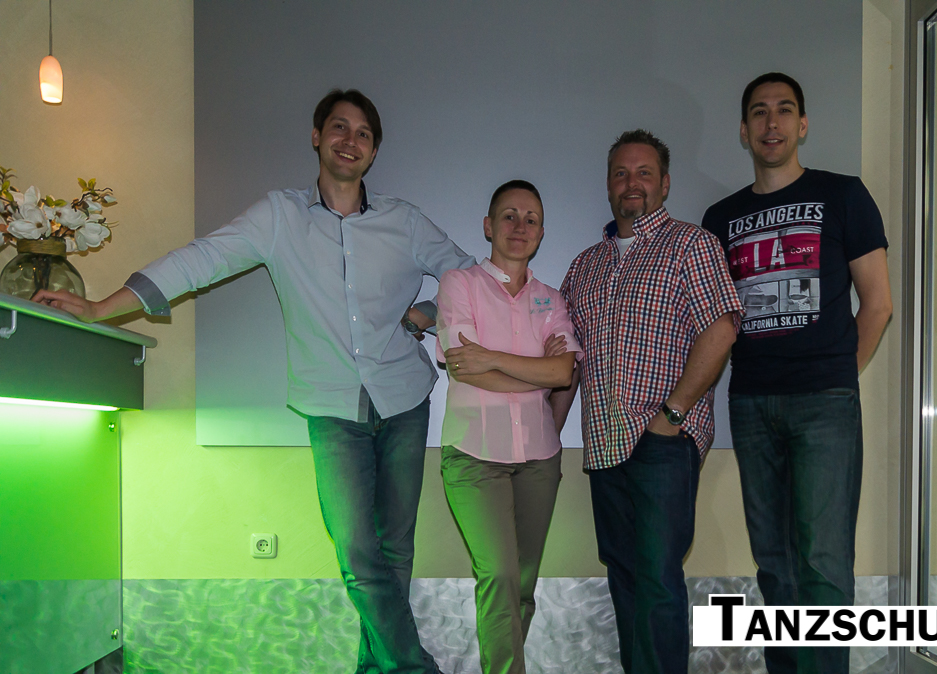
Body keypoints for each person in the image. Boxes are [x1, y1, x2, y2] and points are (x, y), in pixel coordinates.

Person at [34, 89, 474, 674]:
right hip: (331, 408)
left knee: (395, 550)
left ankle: (377, 668)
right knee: (356, 554)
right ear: (316, 137)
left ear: (373, 151)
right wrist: (100, 308)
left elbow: (470, 278)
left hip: (404, 399)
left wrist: (425, 314)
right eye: (339, 127)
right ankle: (416, 668)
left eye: (364, 133)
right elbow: (201, 259)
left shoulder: (405, 221)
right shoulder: (279, 216)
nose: (350, 140)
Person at [700, 72, 892, 674]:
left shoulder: (844, 194)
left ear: (802, 125)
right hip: (751, 403)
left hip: (824, 403)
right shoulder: (721, 217)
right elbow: (716, 320)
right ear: (744, 130)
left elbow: (878, 304)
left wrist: (837, 377)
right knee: (775, 566)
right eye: (759, 112)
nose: (772, 122)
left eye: (784, 110)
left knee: (823, 564)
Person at [559, 129, 743, 674]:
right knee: (624, 577)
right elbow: (566, 360)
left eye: (644, 172)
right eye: (621, 173)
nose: (631, 182)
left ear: (664, 184)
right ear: (608, 185)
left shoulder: (691, 245)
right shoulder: (584, 266)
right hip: (604, 444)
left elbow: (722, 328)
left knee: (658, 579)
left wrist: (673, 414)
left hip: (663, 440)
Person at [434, 180, 581, 674]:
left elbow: (564, 372)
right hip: (473, 455)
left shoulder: (551, 299)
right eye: (509, 216)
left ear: (541, 233)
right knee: (497, 575)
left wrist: (494, 359)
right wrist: (537, 373)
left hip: (539, 458)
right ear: (488, 226)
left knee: (521, 584)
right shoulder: (460, 284)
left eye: (531, 219)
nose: (520, 226)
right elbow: (463, 367)